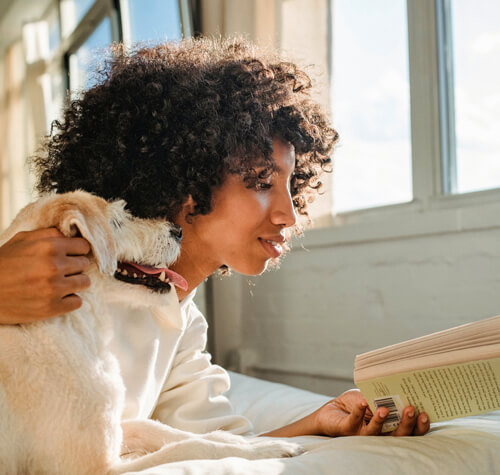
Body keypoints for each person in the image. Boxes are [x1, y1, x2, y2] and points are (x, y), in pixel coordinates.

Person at [0, 37, 429, 438]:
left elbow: (216, 445)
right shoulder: (66, 257)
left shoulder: (182, 321)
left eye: (289, 185)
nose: (290, 215)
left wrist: (318, 424)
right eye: (262, 182)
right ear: (187, 186)